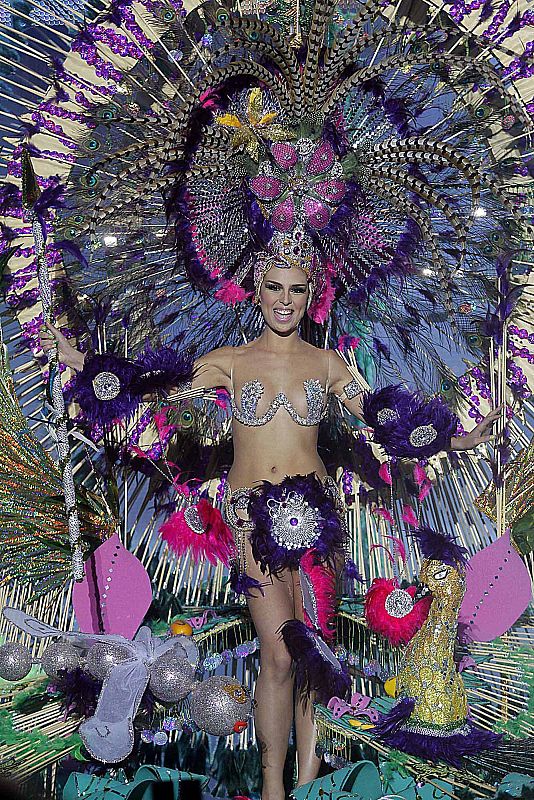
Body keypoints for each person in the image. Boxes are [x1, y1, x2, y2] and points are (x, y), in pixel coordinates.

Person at [40, 258, 500, 800]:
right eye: (275, 288)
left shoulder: (328, 364)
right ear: (256, 293)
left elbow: (387, 420)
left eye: (297, 289)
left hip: (318, 522)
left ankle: (306, 785)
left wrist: (457, 440)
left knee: (310, 654)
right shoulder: (230, 362)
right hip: (253, 521)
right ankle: (271, 786)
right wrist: (84, 361)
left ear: (311, 296)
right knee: (279, 652)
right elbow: (151, 383)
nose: (286, 299)